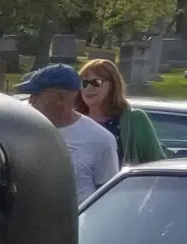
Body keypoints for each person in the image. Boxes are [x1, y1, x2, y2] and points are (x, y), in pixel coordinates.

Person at [19, 63, 118, 199]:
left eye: (37, 94)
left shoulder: (101, 140)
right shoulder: (23, 130)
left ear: (60, 99)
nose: (31, 100)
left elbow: (108, 196)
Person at [77, 58, 164, 168]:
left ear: (113, 85)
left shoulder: (135, 120)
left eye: (96, 82)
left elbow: (157, 164)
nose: (89, 88)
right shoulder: (73, 121)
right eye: (84, 83)